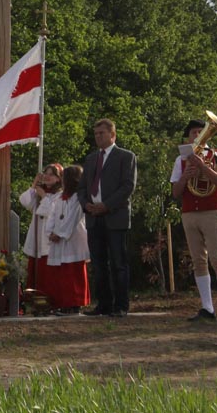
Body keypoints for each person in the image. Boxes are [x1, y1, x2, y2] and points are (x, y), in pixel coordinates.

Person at [170, 118, 217, 322]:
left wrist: (203, 167)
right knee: (198, 260)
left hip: (212, 211)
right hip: (189, 213)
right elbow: (175, 193)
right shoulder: (181, 160)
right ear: (188, 138)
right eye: (194, 133)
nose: (198, 136)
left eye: (202, 132)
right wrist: (185, 176)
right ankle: (207, 308)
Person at [76, 118, 137, 318]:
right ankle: (103, 304)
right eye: (96, 134)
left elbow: (127, 186)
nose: (98, 137)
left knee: (118, 262)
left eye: (102, 133)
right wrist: (86, 204)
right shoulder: (91, 159)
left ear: (113, 135)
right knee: (99, 263)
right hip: (94, 217)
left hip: (114, 217)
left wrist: (106, 205)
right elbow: (82, 187)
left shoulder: (125, 157)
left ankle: (121, 305)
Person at [46, 165, 90, 314]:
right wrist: (50, 231)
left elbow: (73, 218)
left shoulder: (78, 198)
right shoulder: (59, 198)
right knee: (62, 273)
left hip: (73, 238)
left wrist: (59, 233)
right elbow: (52, 215)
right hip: (59, 239)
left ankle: (75, 303)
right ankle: (63, 303)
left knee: (73, 272)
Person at [20, 163, 62, 293]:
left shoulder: (60, 195)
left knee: (47, 272)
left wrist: (44, 196)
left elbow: (51, 213)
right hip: (37, 235)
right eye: (46, 173)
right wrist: (34, 184)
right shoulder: (38, 193)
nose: (48, 176)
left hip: (48, 237)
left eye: (52, 174)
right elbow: (24, 201)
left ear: (58, 179)